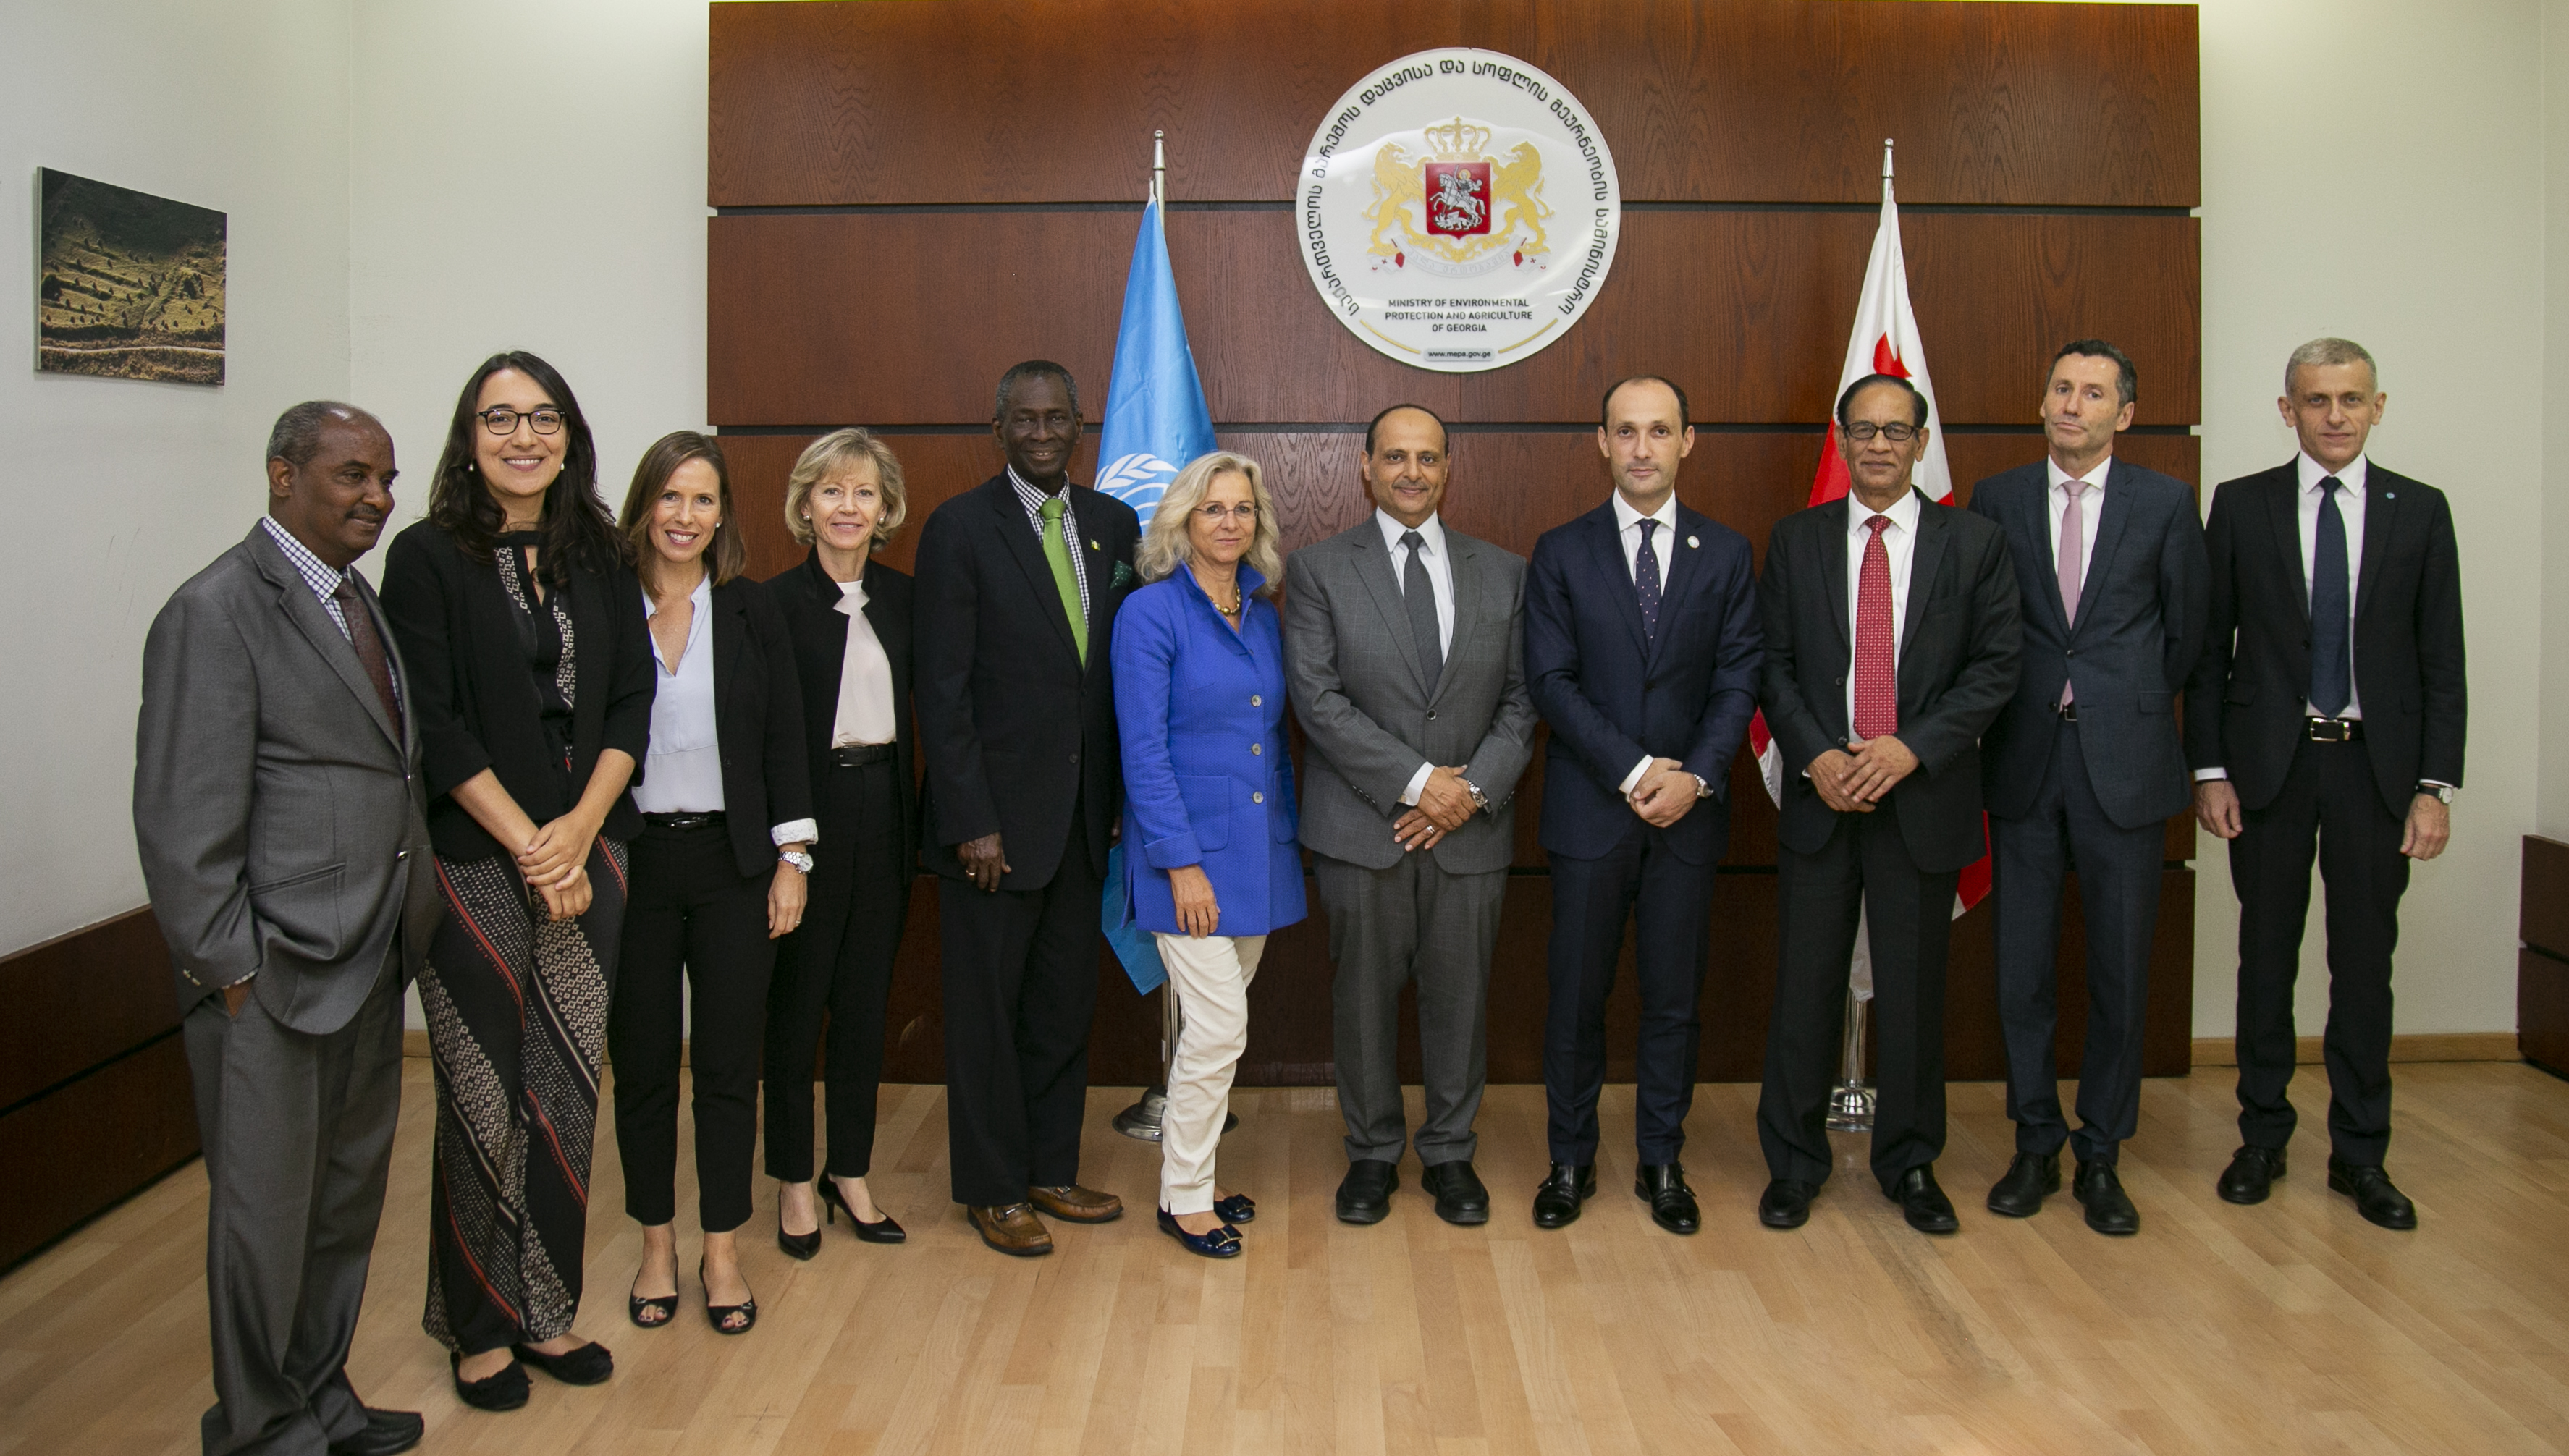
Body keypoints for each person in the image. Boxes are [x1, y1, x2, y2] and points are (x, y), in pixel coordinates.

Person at [135, 402, 436, 1456]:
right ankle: (261, 1428)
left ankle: (320, 1399)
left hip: (369, 957)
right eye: (353, 475)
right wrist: (232, 971)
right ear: (282, 474)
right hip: (271, 976)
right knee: (263, 1219)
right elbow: (182, 818)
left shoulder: (354, 598)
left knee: (342, 1206)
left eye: (386, 477)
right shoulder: (214, 610)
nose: (378, 497)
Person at [380, 351, 652, 1408]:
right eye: (499, 419)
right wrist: (535, 845)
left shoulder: (603, 554)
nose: (522, 437)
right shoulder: (425, 556)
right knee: (481, 1094)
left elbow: (629, 704)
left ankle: (544, 1309)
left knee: (565, 1087)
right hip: (473, 861)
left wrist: (577, 834)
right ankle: (478, 1324)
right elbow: (435, 724)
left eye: (542, 417)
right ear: (469, 437)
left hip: (594, 851)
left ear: (570, 435)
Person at [2188, 337, 2464, 1231]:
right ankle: (2261, 1137)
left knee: (2365, 965)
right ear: (2288, 410)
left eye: (2351, 399)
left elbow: (2442, 660)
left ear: (2378, 407)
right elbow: (2209, 650)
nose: (2334, 415)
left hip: (2376, 771)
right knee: (2265, 957)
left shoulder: (2421, 510)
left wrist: (2434, 786)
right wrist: (2210, 768)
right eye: (2317, 400)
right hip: (2270, 767)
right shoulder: (2242, 505)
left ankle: (2361, 1154)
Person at [1753, 373, 2021, 1237]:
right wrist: (1818, 754)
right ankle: (1794, 1164)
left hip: (1921, 797)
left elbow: (1996, 665)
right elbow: (1772, 663)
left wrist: (1910, 748)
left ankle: (1909, 1162)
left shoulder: (1974, 542)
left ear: (1920, 442)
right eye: (1863, 430)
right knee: (1805, 990)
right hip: (1823, 794)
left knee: (1912, 997)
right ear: (1840, 440)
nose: (1878, 444)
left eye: (1895, 430)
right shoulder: (1796, 539)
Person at [1967, 341, 2208, 1236]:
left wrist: (2119, 702)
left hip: (2126, 764)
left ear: (2125, 414)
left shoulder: (2166, 503)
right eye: (2062, 388)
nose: (2073, 404)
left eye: (2094, 392)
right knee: (2021, 970)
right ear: (2043, 403)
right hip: (2024, 759)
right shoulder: (1996, 499)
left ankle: (2102, 1149)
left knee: (2121, 967)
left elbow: (2186, 637)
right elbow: (1984, 624)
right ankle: (2036, 1139)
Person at [1283, 405, 1537, 1227]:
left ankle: (1451, 1152)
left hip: (1472, 827)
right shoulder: (1319, 569)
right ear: (1365, 467)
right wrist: (1421, 782)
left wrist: (1467, 792)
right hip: (1364, 829)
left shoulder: (1505, 572)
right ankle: (1371, 1153)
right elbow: (1317, 700)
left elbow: (1523, 699)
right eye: (1395, 457)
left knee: (1461, 1000)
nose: (1412, 472)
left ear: (1448, 468)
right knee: (1361, 1001)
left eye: (1427, 458)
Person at [1522, 376, 1761, 1235]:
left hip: (1689, 816)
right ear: (1602, 441)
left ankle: (1663, 1158)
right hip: (1592, 812)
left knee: (1673, 1001)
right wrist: (1633, 769)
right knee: (1576, 999)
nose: (1642, 448)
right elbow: (1551, 681)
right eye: (1626, 431)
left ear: (1687, 441)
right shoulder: (1561, 550)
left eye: (1660, 431)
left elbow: (1739, 677)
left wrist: (1693, 775)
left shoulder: (1725, 553)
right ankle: (1570, 1158)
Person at [913, 361, 1142, 1256]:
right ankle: (994, 1187)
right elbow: (942, 689)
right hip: (994, 832)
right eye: (1025, 419)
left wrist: (1117, 801)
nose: (1042, 433)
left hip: (1083, 822)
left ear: (1081, 427)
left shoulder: (1113, 524)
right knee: (986, 1020)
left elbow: (1114, 676)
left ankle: (1051, 1167)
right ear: (998, 428)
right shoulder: (960, 527)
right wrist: (971, 818)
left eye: (1057, 418)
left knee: (1060, 1009)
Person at [609, 432, 814, 1335]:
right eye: (670, 496)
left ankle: (720, 1249)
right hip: (632, 863)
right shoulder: (604, 604)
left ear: (722, 512)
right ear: (644, 504)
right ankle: (657, 1245)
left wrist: (793, 860)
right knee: (645, 1065)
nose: (685, 516)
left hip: (735, 866)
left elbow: (785, 739)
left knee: (729, 1067)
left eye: (702, 499)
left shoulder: (750, 609)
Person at [1113, 452, 1306, 1259]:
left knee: (1209, 1030)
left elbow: (1271, 738)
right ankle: (1185, 1197)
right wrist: (1179, 864)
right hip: (1185, 861)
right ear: (1182, 520)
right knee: (1222, 1027)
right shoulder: (1149, 613)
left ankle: (1195, 1173)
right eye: (1211, 508)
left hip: (1258, 857)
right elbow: (1143, 751)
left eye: (1242, 509)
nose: (1229, 522)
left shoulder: (1260, 614)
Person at [763, 428, 919, 1253]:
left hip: (885, 810)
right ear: (806, 505)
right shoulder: (770, 605)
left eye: (864, 492)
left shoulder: (907, 599)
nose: (848, 506)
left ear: (885, 508)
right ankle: (794, 1178)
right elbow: (769, 739)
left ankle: (849, 1171)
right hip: (808, 816)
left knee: (864, 1004)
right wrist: (788, 853)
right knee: (797, 1007)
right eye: (832, 491)